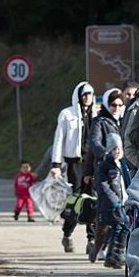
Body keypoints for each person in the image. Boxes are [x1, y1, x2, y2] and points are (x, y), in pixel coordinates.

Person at [50, 81, 96, 254]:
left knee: (92, 199)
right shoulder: (67, 114)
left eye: (90, 94)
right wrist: (56, 164)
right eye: (84, 94)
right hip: (74, 163)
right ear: (78, 95)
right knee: (76, 198)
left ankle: (91, 239)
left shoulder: (97, 114)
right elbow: (59, 139)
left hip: (91, 162)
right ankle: (67, 233)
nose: (87, 97)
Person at [87, 88, 124, 261]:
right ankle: (97, 247)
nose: (116, 108)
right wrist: (106, 155)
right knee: (105, 212)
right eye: (113, 104)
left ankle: (113, 248)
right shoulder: (99, 121)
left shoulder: (123, 120)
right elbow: (93, 143)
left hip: (122, 170)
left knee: (120, 210)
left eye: (119, 104)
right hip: (104, 170)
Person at [92, 133, 131, 268]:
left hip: (124, 201)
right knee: (122, 226)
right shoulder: (104, 165)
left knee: (121, 227)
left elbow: (127, 181)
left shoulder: (122, 164)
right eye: (114, 149)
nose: (117, 151)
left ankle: (112, 257)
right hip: (111, 204)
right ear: (109, 150)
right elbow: (103, 185)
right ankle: (116, 256)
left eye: (119, 149)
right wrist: (114, 200)